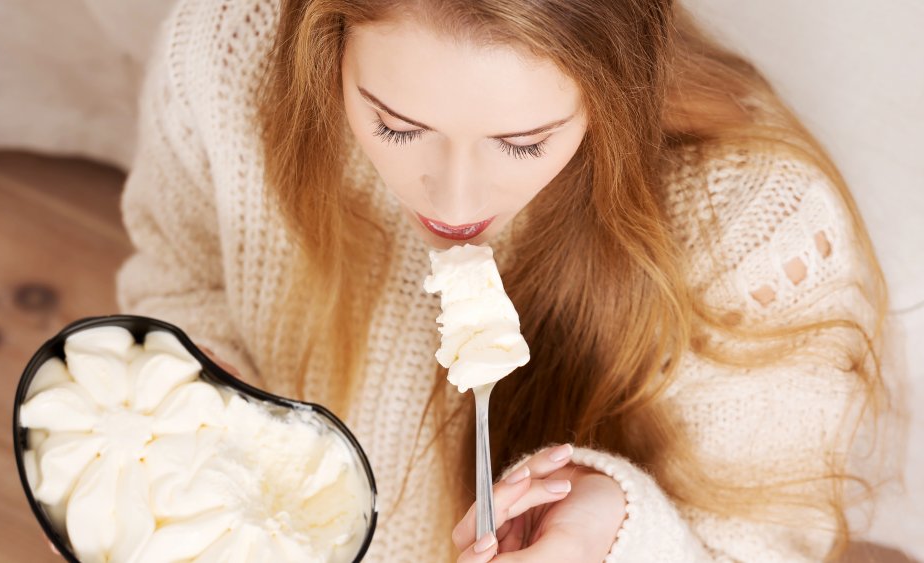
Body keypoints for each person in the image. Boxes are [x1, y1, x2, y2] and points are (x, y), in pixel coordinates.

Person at [112, 0, 892, 561]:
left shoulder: (754, 234)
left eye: (521, 143)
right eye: (396, 125)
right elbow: (180, 272)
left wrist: (615, 534)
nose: (452, 203)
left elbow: (761, 548)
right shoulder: (228, 45)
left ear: (611, 88)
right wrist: (195, 396)